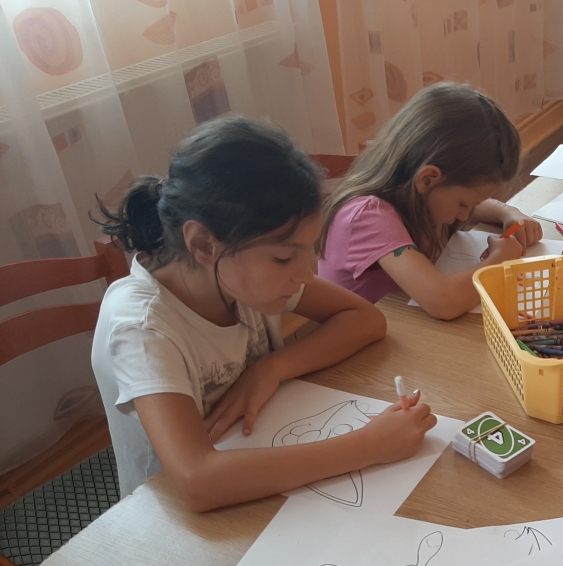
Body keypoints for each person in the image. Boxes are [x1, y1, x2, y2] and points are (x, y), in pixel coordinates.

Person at [92, 116, 436, 512]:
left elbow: (365, 319)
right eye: (284, 257)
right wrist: (366, 446)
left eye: (306, 251)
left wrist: (271, 368)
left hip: (265, 467)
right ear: (203, 245)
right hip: (174, 518)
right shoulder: (142, 327)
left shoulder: (238, 274)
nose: (304, 273)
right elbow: (195, 481)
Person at [318, 83, 541, 320]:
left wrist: (509, 214)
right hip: (367, 337)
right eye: (463, 204)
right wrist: (499, 261)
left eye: (472, 204)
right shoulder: (368, 216)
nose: (465, 215)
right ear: (428, 179)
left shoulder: (407, 187)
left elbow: (470, 204)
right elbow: (444, 302)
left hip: (401, 320)